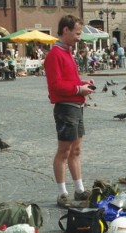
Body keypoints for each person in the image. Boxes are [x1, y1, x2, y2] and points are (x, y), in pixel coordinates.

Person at [44, 14, 95, 208]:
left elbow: (68, 81)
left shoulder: (66, 52)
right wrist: (78, 89)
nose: (78, 37)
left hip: (76, 106)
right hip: (66, 108)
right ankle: (62, 193)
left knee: (76, 150)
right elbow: (55, 86)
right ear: (66, 30)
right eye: (77, 33)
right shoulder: (54, 55)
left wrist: (83, 84)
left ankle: (79, 190)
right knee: (64, 151)